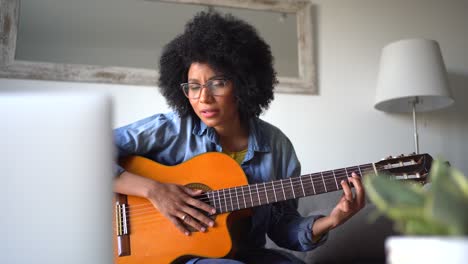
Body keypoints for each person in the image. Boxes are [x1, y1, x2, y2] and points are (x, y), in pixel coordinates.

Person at [113, 11, 365, 264]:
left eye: (217, 83)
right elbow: (84, 152)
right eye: (193, 86)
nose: (203, 98)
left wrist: (332, 220)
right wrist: (155, 190)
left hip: (242, 254)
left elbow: (282, 227)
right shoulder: (169, 129)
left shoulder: (276, 146)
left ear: (244, 84)